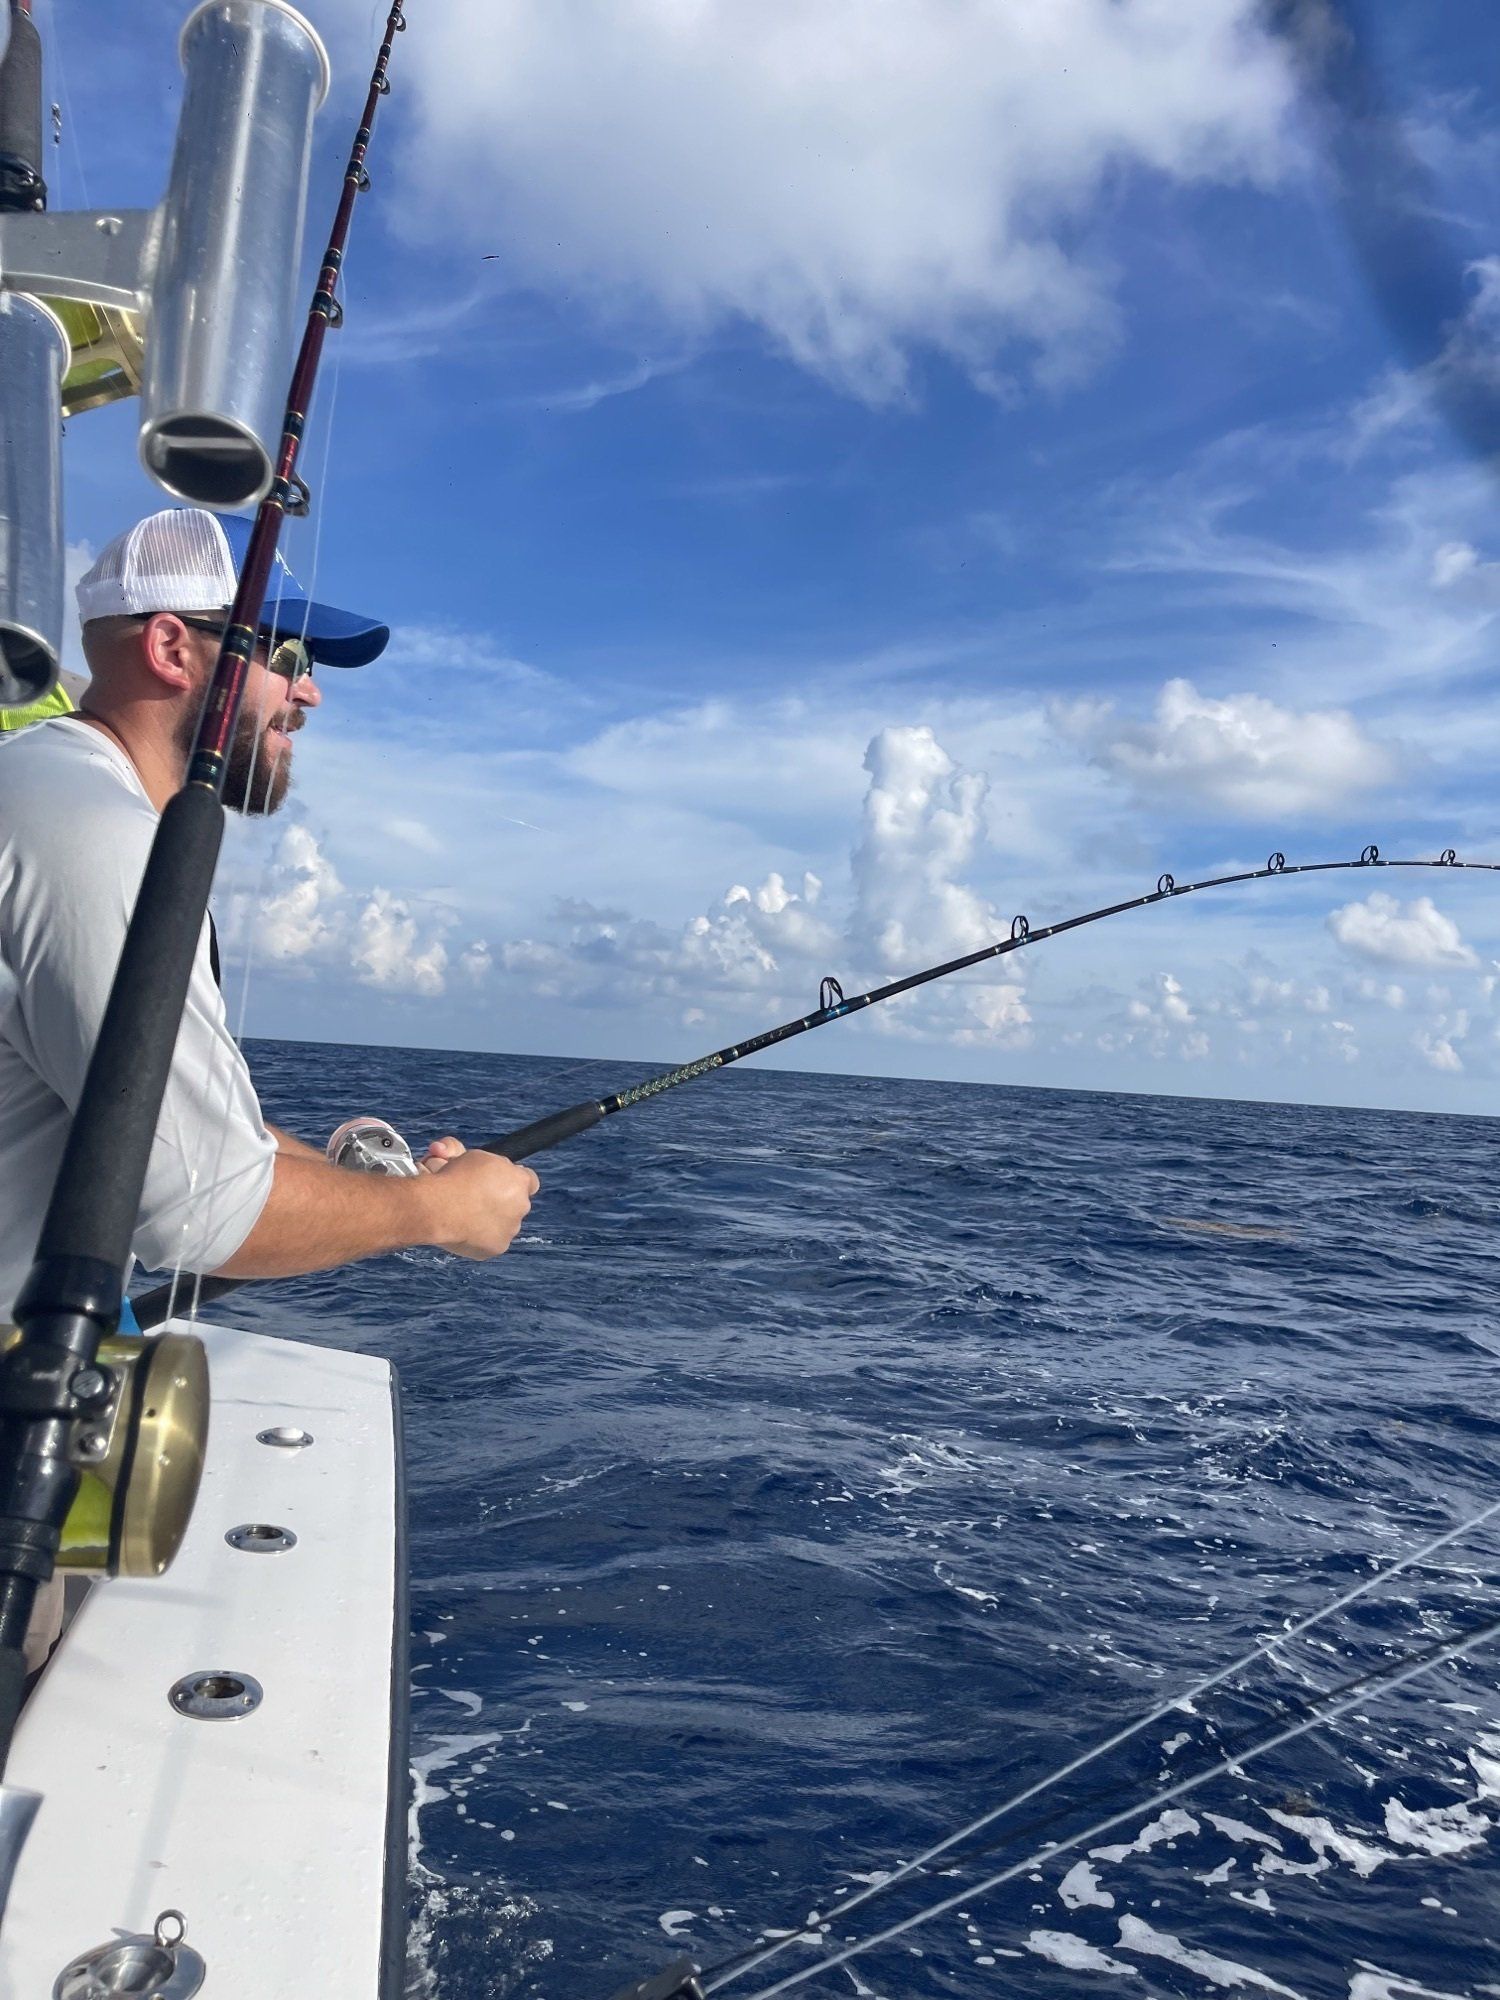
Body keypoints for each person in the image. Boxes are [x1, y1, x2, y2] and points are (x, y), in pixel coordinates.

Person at [0, 506, 537, 1325]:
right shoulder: (101, 839)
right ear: (173, 648)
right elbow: (207, 1211)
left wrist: (363, 1184)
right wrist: (441, 1213)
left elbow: (143, 1116)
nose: (310, 691)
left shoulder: (47, 790)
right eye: (286, 655)